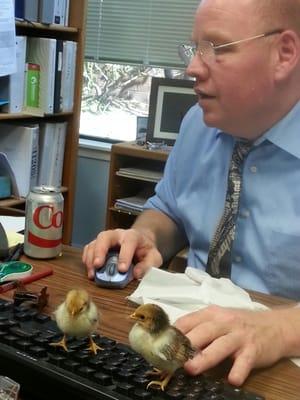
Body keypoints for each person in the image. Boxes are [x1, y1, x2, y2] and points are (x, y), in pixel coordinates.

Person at [83, 0, 300, 386]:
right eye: (194, 48)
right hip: (183, 348)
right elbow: (170, 209)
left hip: (278, 369)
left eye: (216, 48)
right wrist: (146, 236)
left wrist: (280, 330)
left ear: (283, 54)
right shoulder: (197, 123)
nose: (192, 68)